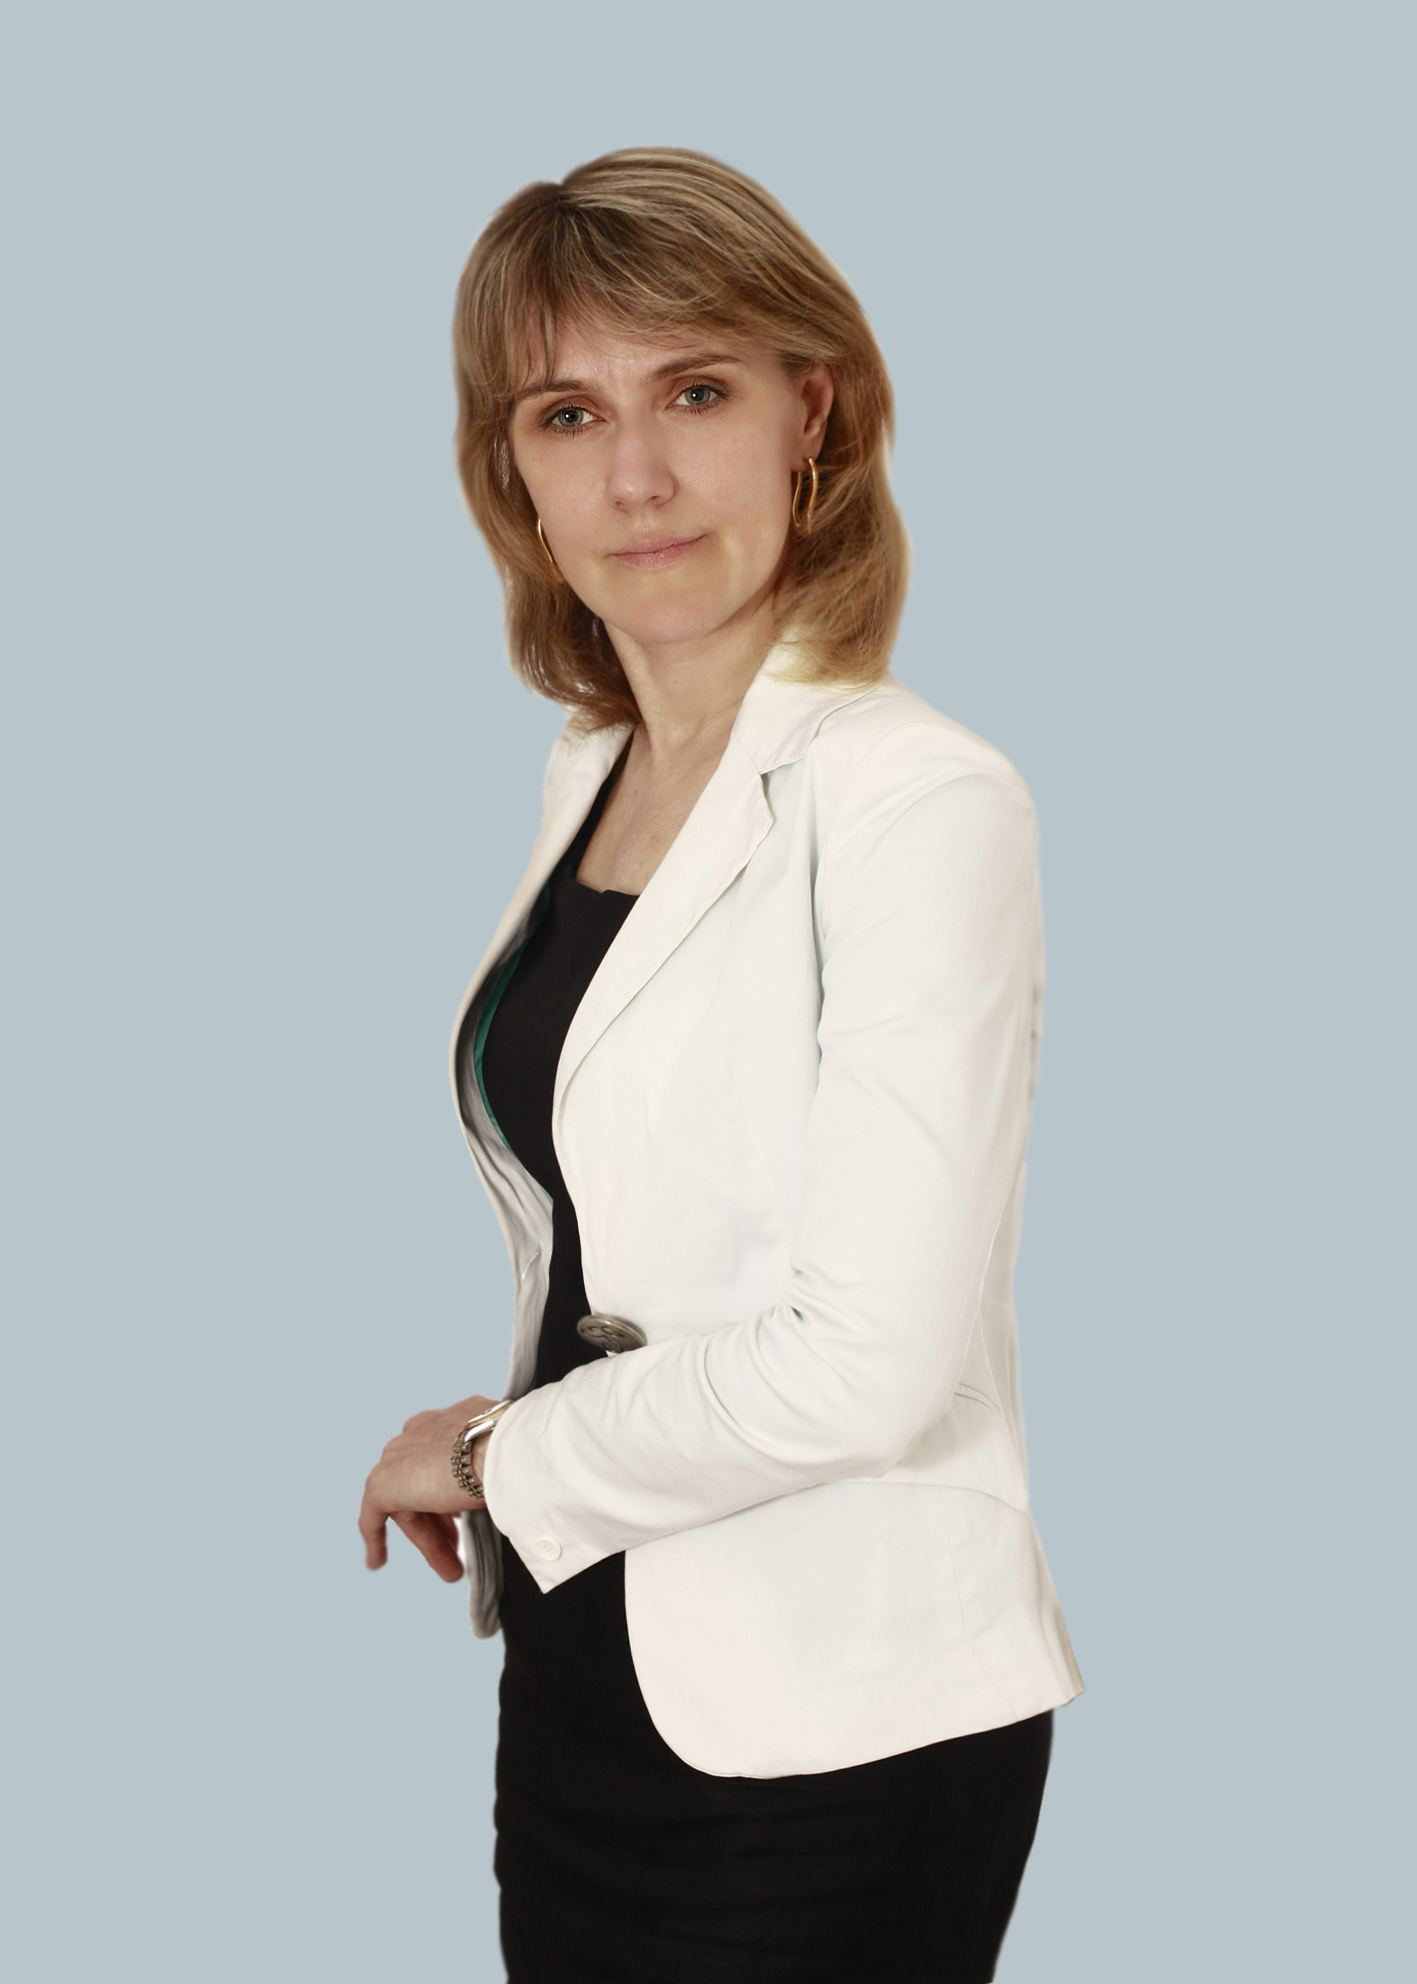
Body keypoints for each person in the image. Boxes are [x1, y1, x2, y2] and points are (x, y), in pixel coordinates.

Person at [359, 147, 1083, 1983]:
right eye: (567, 413)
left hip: (841, 1716)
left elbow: (866, 1363)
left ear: (807, 414)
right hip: (590, 1666)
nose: (637, 476)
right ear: (512, 472)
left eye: (694, 392)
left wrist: (504, 1451)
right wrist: (522, 1461)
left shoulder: (916, 801)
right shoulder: (591, 776)